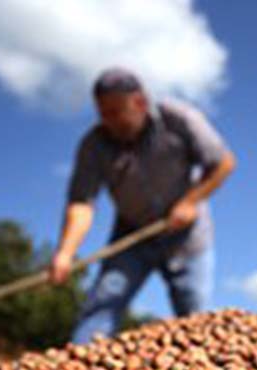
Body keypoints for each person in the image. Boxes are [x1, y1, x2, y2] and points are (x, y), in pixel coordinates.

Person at [49, 67, 236, 342]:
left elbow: (222, 163)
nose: (109, 121)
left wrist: (189, 202)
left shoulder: (179, 119)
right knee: (102, 304)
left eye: (116, 112)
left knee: (194, 320)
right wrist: (65, 252)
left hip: (187, 236)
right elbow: (82, 204)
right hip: (132, 234)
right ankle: (77, 366)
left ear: (140, 102)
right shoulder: (93, 145)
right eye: (103, 113)